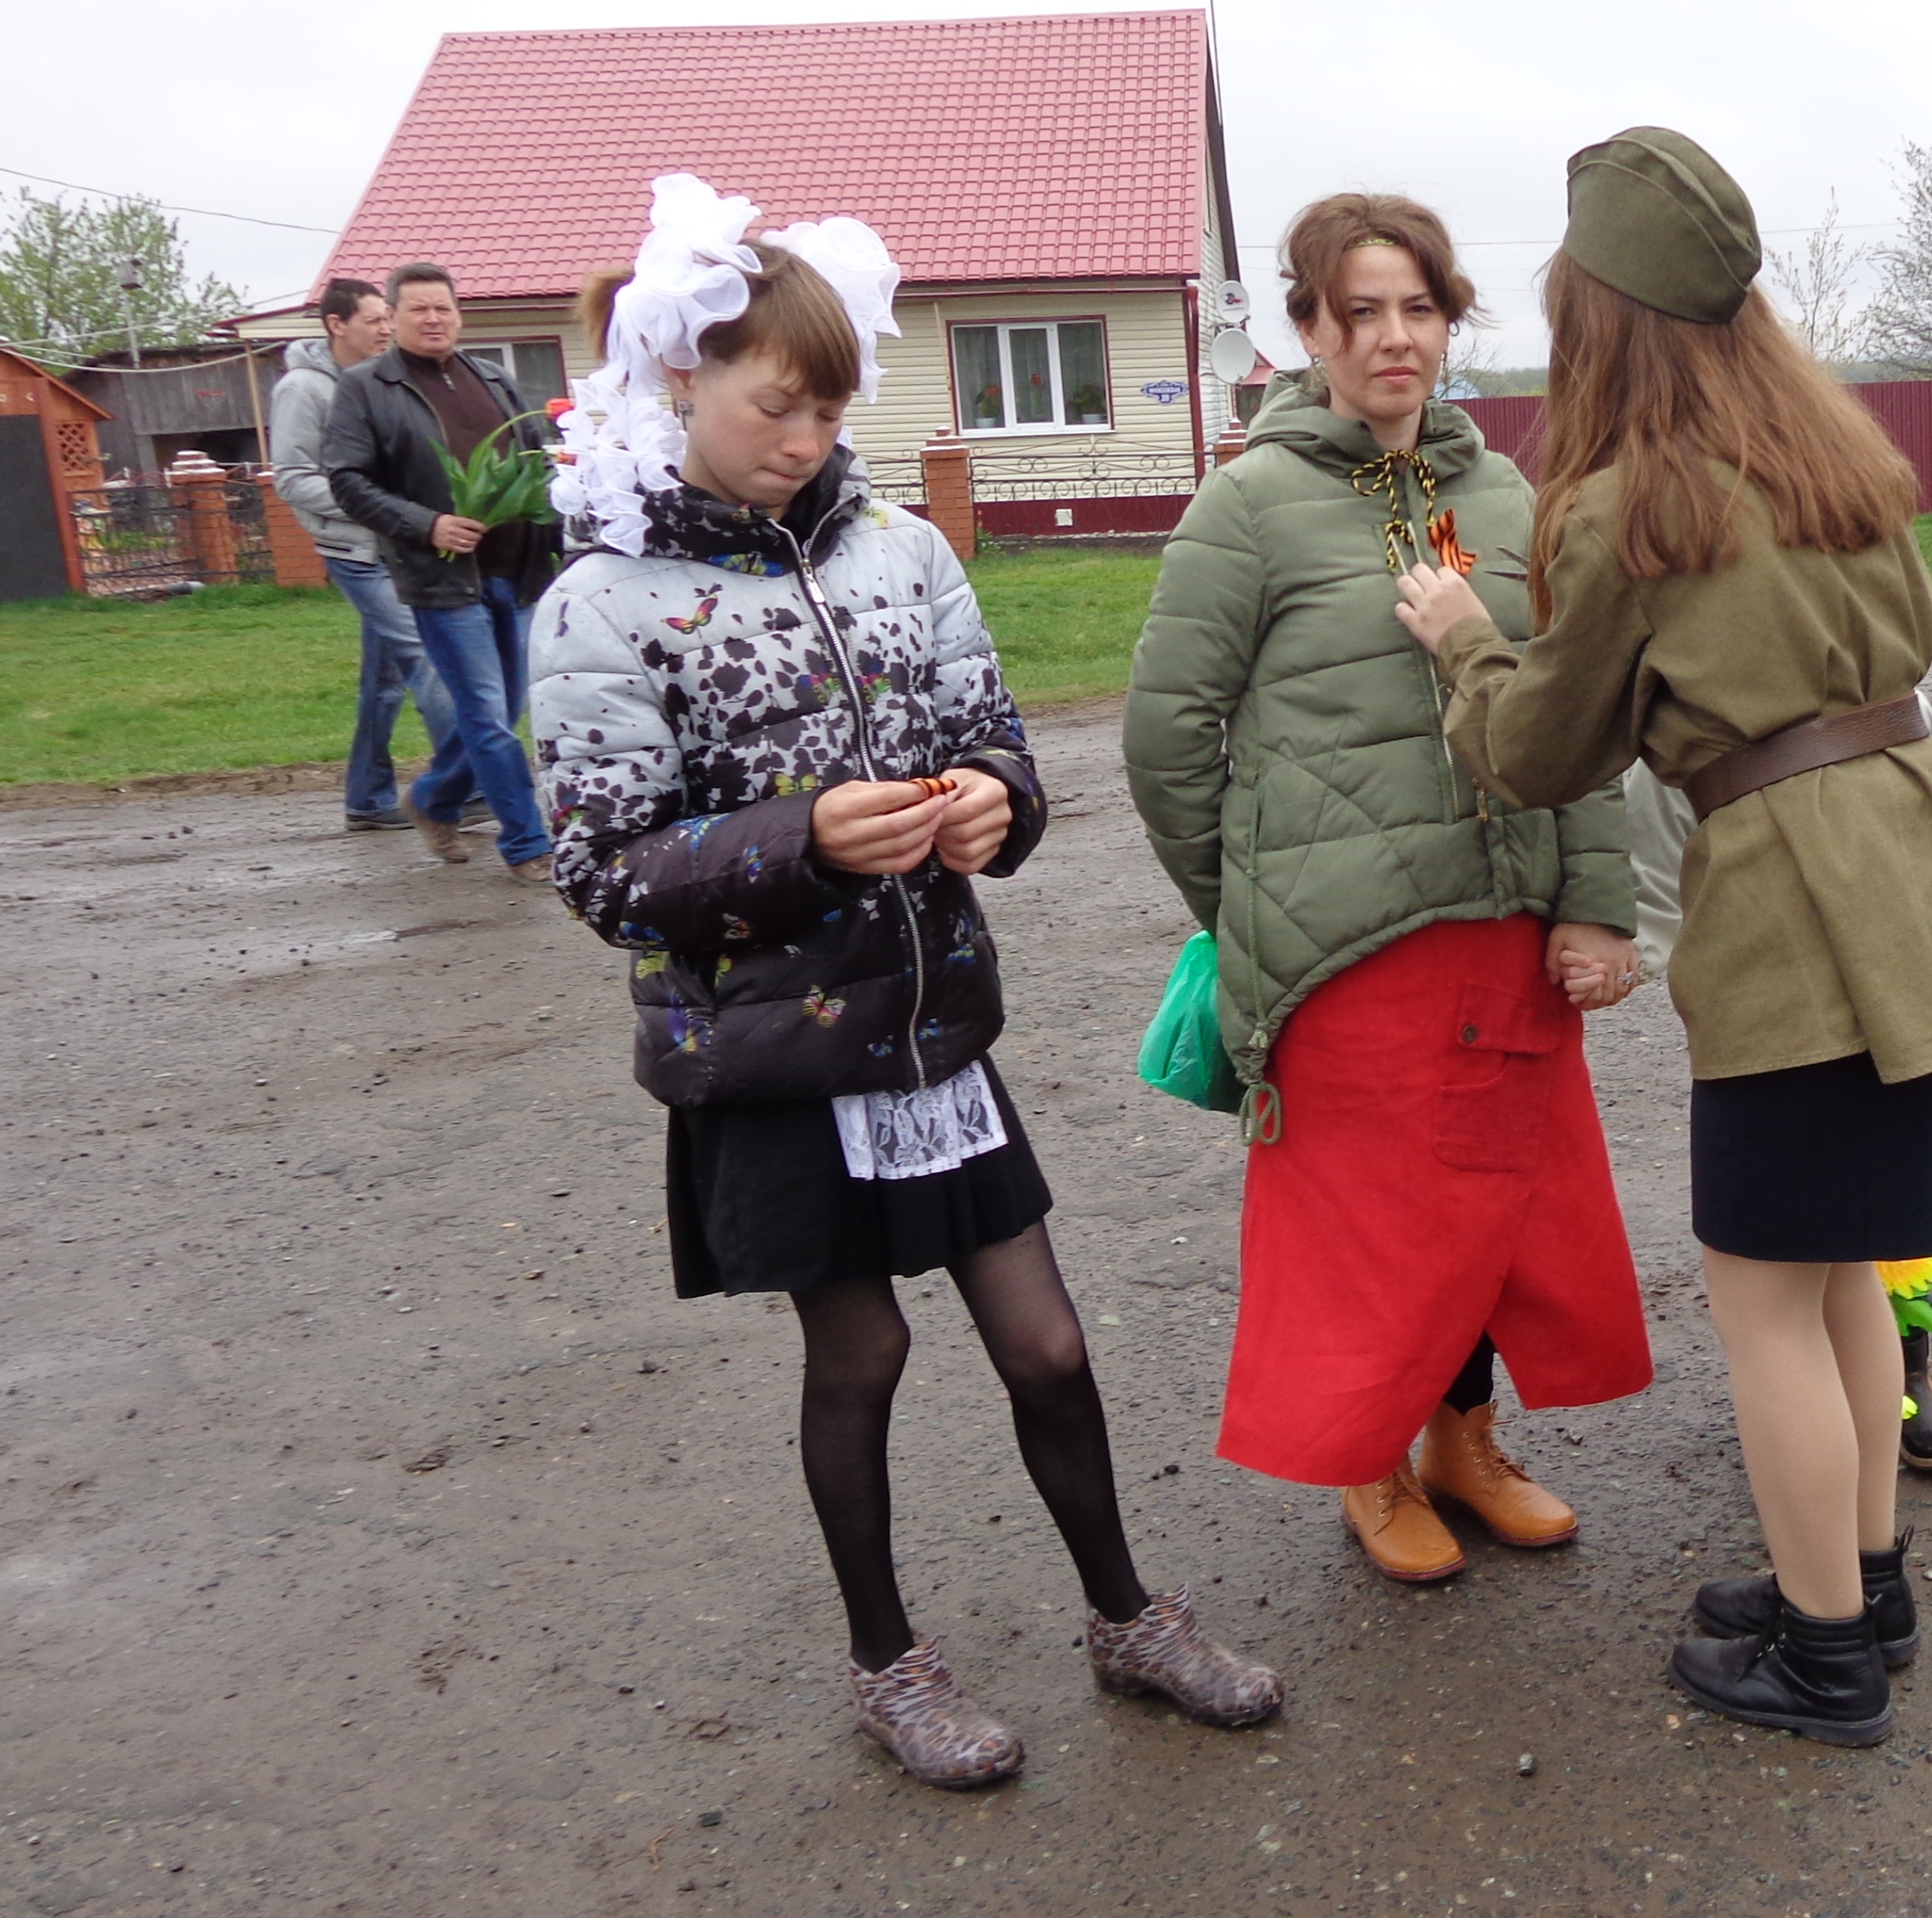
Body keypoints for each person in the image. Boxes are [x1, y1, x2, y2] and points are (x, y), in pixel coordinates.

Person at [528, 175, 1278, 1789]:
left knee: (1049, 1347)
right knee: (860, 1355)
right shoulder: (602, 601)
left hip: (932, 1032)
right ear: (680, 379)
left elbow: (990, 737)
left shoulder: (904, 548)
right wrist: (800, 840)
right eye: (775, 407)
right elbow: (601, 872)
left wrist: (996, 802)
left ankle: (1128, 1618)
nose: (805, 440)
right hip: (773, 1052)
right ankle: (890, 1665)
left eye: (827, 409)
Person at [1396, 129, 1932, 1745]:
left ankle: (1824, 1654)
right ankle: (1861, 1584)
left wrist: (1464, 637)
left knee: (1763, 1301)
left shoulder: (1635, 507)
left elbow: (1539, 750)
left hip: (1800, 920)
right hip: (1925, 881)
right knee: (1837, 1271)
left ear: (1598, 317)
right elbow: (1913, 641)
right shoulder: (1837, 459)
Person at [1124, 192, 1654, 1584]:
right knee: (1370, 1232)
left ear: (1450, 323)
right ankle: (1369, 1463)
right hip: (1344, 955)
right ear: (1307, 329)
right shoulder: (1248, 504)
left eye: (1418, 308)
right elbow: (1166, 739)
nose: (1392, 338)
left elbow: (1571, 715)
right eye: (1358, 312)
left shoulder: (1506, 497)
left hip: (1507, 931)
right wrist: (1250, 905)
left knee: (1493, 1213)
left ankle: (1462, 1446)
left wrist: (1595, 903)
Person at [1623, 758, 1932, 1471]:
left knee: (1822, 1272)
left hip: (1877, 962)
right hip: (1791, 978)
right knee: (1825, 1267)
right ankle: (1846, 1464)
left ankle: (1907, 1366)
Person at [323, 260, 556, 879]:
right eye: (418, 309)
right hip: (444, 579)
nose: (433, 319)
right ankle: (528, 844)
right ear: (393, 318)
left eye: (443, 308)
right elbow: (347, 480)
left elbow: (537, 460)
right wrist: (427, 524)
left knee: (503, 711)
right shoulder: (367, 387)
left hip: (517, 572)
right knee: (486, 715)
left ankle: (432, 799)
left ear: (459, 315)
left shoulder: (493, 377)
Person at [269, 277, 478, 833]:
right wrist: (380, 508)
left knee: (384, 681)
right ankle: (468, 784)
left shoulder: (380, 380)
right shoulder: (303, 390)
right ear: (336, 325)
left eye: (388, 317)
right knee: (432, 660)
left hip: (402, 545)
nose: (387, 328)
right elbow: (293, 478)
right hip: (358, 550)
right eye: (374, 320)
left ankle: (367, 798)